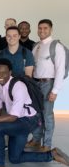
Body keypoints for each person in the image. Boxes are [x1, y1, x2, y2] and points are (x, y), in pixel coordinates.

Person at [0, 58, 69, 167]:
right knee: (15, 158)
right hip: (17, 122)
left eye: (4, 73)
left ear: (10, 73)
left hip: (29, 121)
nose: (0, 76)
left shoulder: (18, 86)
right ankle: (51, 155)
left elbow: (13, 116)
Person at [27, 19, 66, 152]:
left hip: (48, 84)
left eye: (45, 28)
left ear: (50, 29)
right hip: (36, 84)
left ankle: (47, 144)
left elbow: (60, 69)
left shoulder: (56, 46)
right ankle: (37, 140)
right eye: (40, 28)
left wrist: (55, 90)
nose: (42, 31)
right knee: (36, 113)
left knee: (47, 115)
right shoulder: (36, 45)